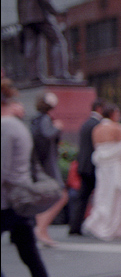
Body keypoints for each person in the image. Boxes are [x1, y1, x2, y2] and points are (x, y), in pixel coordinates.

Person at [1, 79, 57, 277]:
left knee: (30, 256)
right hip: (22, 201)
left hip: (7, 201)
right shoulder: (19, 126)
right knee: (31, 256)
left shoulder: (4, 126)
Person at [81, 103, 121, 240]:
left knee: (103, 196)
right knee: (116, 198)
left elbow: (98, 148)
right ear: (113, 114)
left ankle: (99, 223)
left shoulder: (96, 129)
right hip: (115, 168)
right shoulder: (117, 128)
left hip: (102, 169)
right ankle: (117, 227)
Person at [16, 0, 70, 82]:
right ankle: (60, 74)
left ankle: (33, 75)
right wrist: (55, 11)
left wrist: (21, 19)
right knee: (58, 41)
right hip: (40, 15)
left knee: (31, 45)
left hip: (27, 18)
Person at [31, 92, 68, 246]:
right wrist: (57, 127)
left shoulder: (35, 120)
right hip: (49, 164)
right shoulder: (46, 119)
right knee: (61, 195)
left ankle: (43, 230)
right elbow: (48, 134)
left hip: (40, 163)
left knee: (46, 197)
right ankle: (41, 228)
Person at [68, 98, 104, 236]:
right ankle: (91, 224)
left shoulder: (85, 123)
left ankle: (75, 226)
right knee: (98, 197)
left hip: (83, 165)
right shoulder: (97, 124)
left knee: (82, 198)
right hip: (92, 166)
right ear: (99, 109)